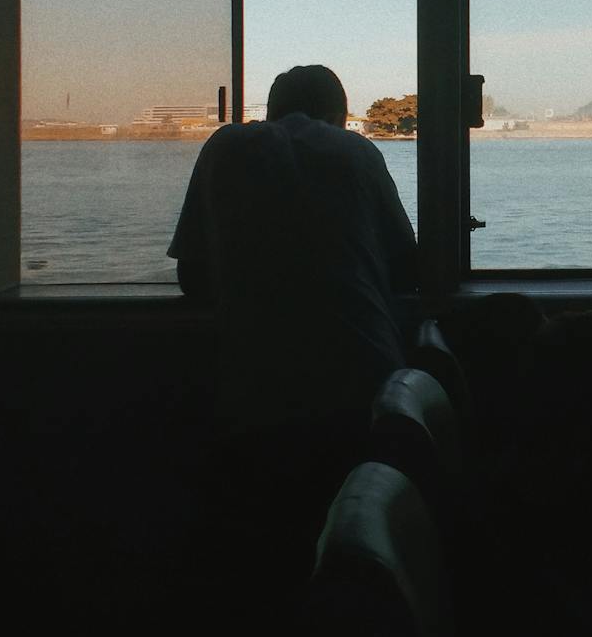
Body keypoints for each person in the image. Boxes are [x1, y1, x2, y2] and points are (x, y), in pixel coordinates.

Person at [168, 63, 416, 428]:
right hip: (367, 380)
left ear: (271, 112)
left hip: (254, 386)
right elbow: (407, 267)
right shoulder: (357, 151)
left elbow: (192, 276)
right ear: (337, 117)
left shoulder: (223, 148)